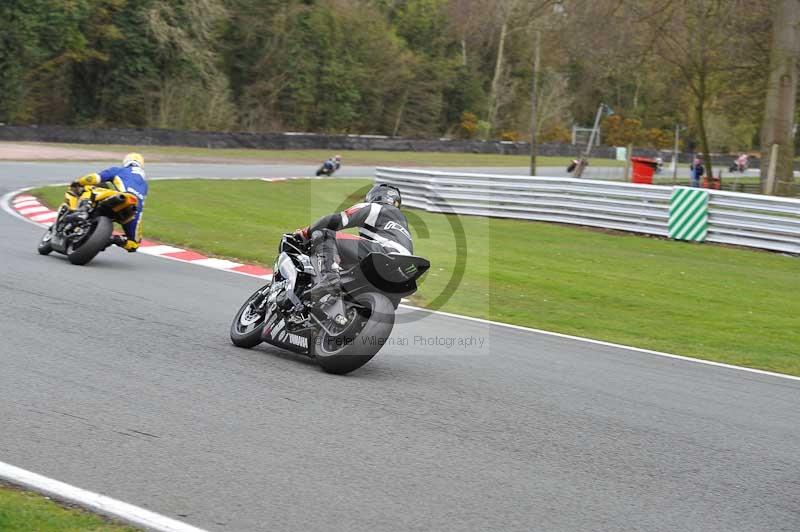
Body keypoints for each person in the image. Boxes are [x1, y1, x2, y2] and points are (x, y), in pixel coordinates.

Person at [295, 184, 412, 298]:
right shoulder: (402, 222)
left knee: (324, 235)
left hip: (383, 252)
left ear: (373, 197)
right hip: (403, 266)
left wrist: (305, 233)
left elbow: (335, 220)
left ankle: (329, 279)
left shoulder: (375, 207)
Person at [71, 153, 148, 252]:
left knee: (89, 187)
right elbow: (141, 206)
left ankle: (83, 210)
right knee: (133, 244)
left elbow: (95, 178)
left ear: (126, 162)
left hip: (120, 198)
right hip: (133, 210)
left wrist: (79, 182)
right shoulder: (145, 185)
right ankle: (110, 240)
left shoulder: (119, 170)